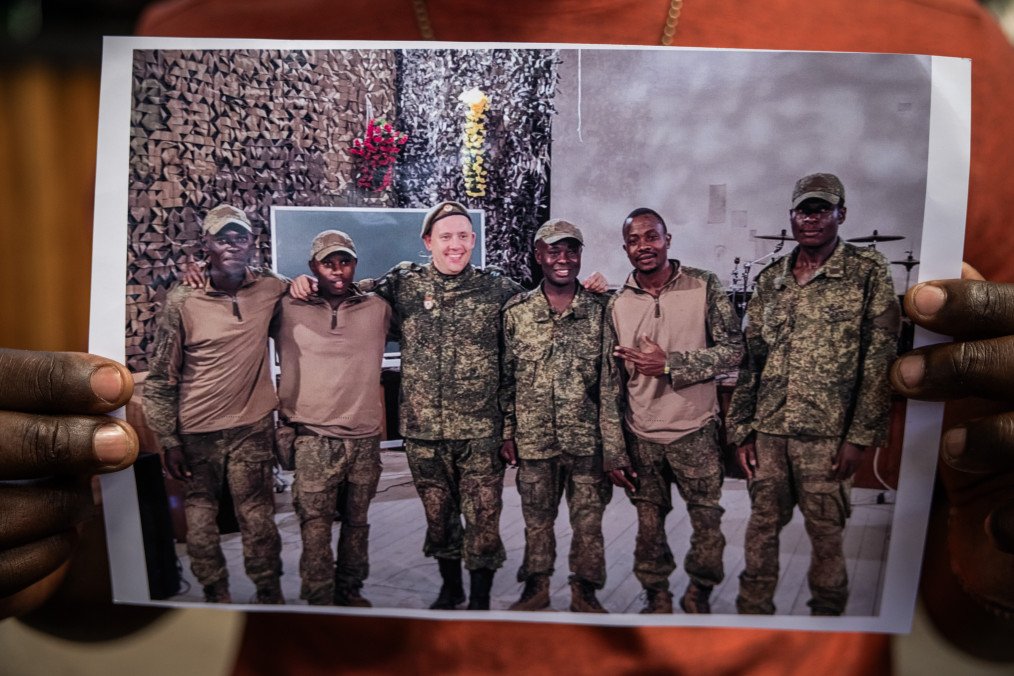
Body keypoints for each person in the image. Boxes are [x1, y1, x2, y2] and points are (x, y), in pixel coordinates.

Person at [3, 0, 1014, 671]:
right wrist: (43, 543)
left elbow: (976, 609)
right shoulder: (209, 28)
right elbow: (93, 591)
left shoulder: (941, 50)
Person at [291, 200, 523, 610]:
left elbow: (541, 311)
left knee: (484, 519)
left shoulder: (498, 289)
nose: (455, 245)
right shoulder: (403, 283)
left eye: (463, 236)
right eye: (446, 237)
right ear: (428, 241)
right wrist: (300, 283)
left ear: (473, 240)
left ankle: (480, 602)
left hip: (481, 433)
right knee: (439, 519)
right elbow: (347, 289)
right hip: (423, 433)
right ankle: (451, 589)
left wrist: (592, 288)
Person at [726, 174, 901, 616]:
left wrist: (859, 437)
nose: (812, 219)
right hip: (770, 432)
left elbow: (879, 361)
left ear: (842, 214)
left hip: (827, 435)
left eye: (822, 209)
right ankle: (752, 614)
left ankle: (827, 618)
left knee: (826, 533)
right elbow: (752, 362)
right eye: (804, 210)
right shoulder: (771, 280)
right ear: (792, 216)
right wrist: (741, 431)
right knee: (761, 528)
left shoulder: (866, 272)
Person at [143, 204, 287, 604]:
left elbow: (306, 290)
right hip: (197, 431)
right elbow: (161, 376)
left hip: (252, 425)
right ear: (206, 244)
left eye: (240, 237)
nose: (232, 245)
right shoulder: (182, 300)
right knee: (201, 515)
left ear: (252, 243)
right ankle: (215, 592)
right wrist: (168, 440)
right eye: (222, 238)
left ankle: (269, 593)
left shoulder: (270, 288)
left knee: (258, 516)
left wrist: (308, 281)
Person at [610, 208, 743, 614]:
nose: (644, 246)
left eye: (652, 236)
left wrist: (671, 365)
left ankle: (700, 589)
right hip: (641, 434)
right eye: (634, 240)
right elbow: (611, 383)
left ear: (667, 240)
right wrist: (615, 448)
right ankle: (657, 593)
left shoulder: (704, 285)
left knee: (707, 521)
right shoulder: (615, 303)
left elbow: (734, 350)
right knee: (648, 528)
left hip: (695, 430)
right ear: (625, 248)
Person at [500, 219, 628, 613]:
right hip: (535, 440)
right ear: (538, 255)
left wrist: (614, 449)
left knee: (588, 524)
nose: (563, 258)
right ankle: (536, 587)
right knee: (536, 521)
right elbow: (506, 378)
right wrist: (508, 431)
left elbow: (609, 384)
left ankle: (584, 592)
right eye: (553, 250)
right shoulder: (517, 312)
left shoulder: (600, 310)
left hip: (586, 441)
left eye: (571, 250)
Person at [272, 230, 391, 606]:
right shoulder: (286, 307)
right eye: (328, 263)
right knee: (315, 525)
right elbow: (249, 286)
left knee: (357, 523)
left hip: (364, 438)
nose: (337, 270)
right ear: (313, 266)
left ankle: (350, 588)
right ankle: (319, 596)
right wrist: (289, 284)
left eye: (345, 262)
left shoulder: (379, 308)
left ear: (355, 265)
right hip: (312, 438)